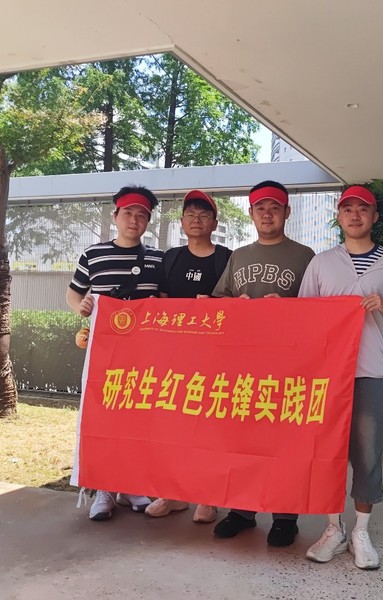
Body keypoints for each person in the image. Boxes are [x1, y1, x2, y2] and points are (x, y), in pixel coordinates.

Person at [298, 185, 383, 569]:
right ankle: (333, 529)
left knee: (367, 454)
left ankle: (361, 531)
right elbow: (303, 317)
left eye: (362, 209)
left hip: (371, 372)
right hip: (328, 375)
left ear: (374, 216)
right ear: (338, 216)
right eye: (347, 208)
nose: (355, 215)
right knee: (328, 453)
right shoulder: (322, 263)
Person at [210, 180, 315, 547]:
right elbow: (218, 303)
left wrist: (287, 309)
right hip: (243, 366)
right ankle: (242, 511)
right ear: (251, 213)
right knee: (243, 440)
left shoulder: (305, 256)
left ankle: (285, 517)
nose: (267, 214)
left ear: (287, 212)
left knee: (284, 442)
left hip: (289, 366)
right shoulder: (238, 256)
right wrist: (236, 305)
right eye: (260, 208)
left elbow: (319, 310)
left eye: (274, 207)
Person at [67, 185, 164, 521]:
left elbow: (167, 301)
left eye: (142, 215)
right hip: (104, 355)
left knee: (139, 419)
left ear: (148, 221)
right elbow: (74, 293)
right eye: (128, 213)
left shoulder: (158, 259)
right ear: (115, 216)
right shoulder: (93, 255)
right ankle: (104, 490)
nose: (134, 220)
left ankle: (133, 485)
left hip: (145, 357)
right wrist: (82, 307)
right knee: (104, 418)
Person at [144, 189, 232, 524]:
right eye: (191, 215)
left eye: (204, 215)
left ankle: (208, 498)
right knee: (172, 428)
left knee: (209, 430)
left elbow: (237, 305)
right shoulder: (170, 258)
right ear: (181, 223)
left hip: (215, 360)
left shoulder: (226, 258)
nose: (197, 220)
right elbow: (160, 302)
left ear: (215, 223)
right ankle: (171, 494)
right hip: (175, 359)